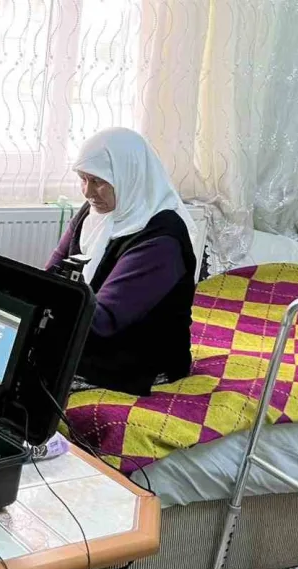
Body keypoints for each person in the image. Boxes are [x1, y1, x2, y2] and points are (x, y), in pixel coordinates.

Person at [45, 128, 198, 396]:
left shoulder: (162, 239)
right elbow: (50, 276)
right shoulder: (94, 212)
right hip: (94, 334)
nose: (88, 192)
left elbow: (104, 321)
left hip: (139, 357)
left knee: (39, 379)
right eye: (83, 179)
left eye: (98, 181)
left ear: (130, 175)